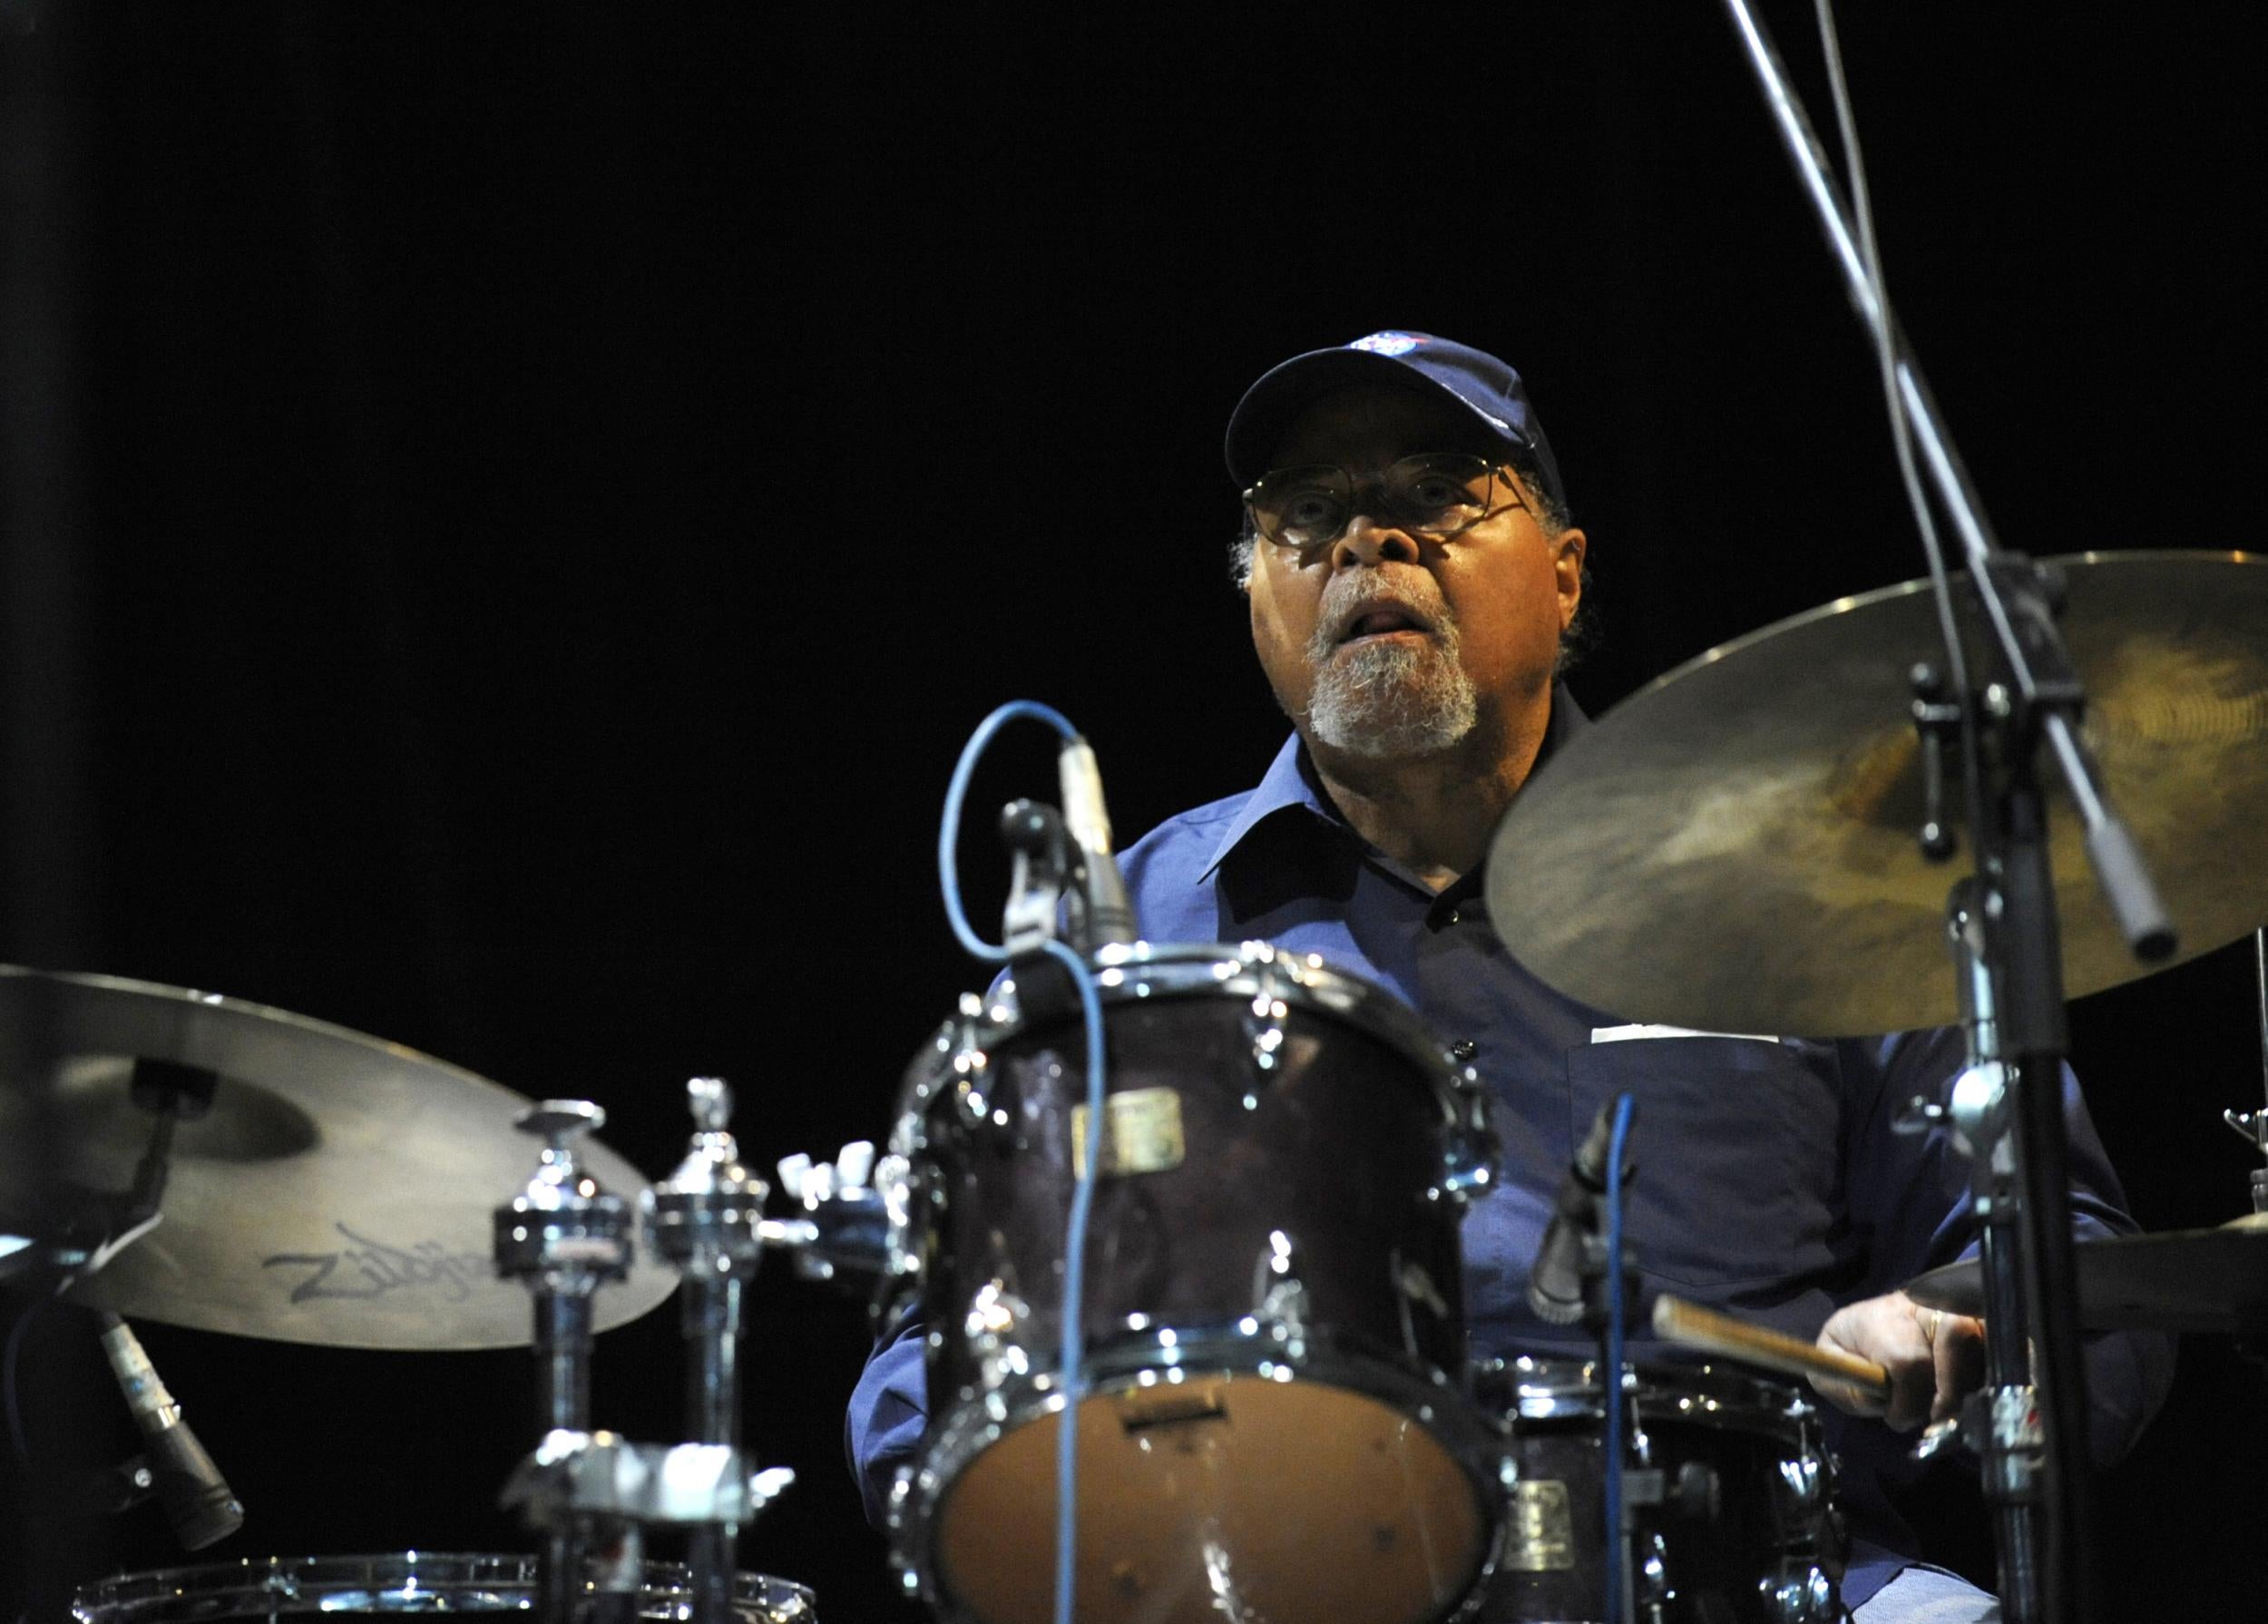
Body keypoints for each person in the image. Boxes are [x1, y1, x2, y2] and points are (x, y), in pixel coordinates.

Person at [849, 331, 2172, 1620]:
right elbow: (935, 1352)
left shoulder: (1793, 886)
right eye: (1308, 515)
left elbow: (2087, 1287)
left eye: (1434, 495)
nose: (1370, 542)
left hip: (1776, 1574)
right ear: (1255, 590)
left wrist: (1946, 1324)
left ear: (1566, 576)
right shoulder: (1127, 936)